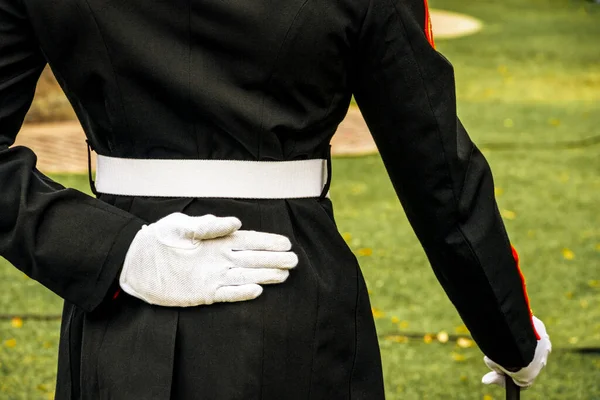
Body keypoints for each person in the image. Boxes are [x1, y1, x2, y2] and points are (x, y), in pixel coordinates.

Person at [0, 0, 550, 398]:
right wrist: (511, 339)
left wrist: (111, 250)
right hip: (291, 292)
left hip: (122, 314)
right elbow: (438, 173)